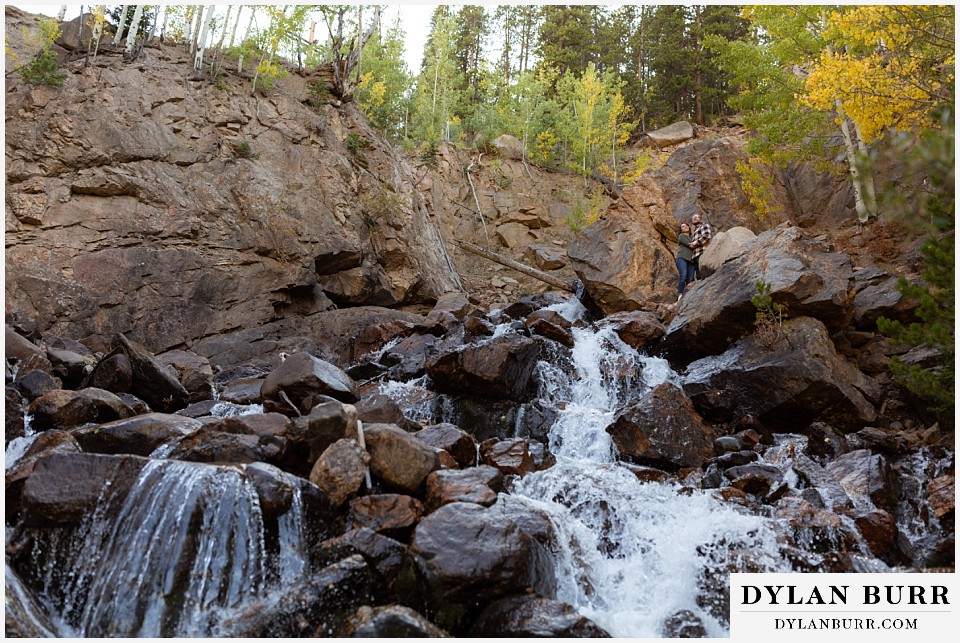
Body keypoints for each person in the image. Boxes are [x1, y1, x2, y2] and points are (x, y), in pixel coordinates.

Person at [675, 222, 696, 301]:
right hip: (682, 258)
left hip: (691, 261)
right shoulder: (681, 236)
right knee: (683, 275)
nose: (685, 227)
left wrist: (695, 243)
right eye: (683, 226)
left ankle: (687, 296)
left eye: (686, 225)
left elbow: (693, 244)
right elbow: (692, 246)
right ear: (681, 230)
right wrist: (697, 244)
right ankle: (680, 294)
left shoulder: (693, 238)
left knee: (690, 279)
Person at [690, 212, 712, 280]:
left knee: (704, 274)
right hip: (695, 255)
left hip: (702, 252)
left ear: (701, 220)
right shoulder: (694, 231)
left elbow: (706, 236)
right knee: (699, 277)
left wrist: (694, 243)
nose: (694, 218)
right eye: (693, 218)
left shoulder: (704, 225)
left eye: (696, 217)